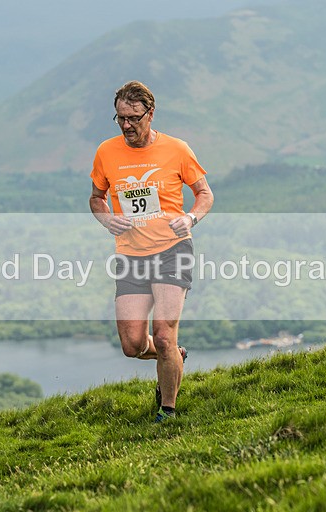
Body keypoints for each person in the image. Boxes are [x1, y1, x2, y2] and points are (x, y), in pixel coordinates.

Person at [89, 80, 214, 422]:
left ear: (150, 113)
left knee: (162, 333)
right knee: (132, 345)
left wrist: (190, 218)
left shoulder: (177, 149)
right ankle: (174, 354)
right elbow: (96, 198)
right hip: (131, 256)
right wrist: (106, 219)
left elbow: (205, 194)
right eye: (120, 118)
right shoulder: (106, 152)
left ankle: (168, 411)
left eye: (133, 117)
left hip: (173, 250)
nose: (127, 125)